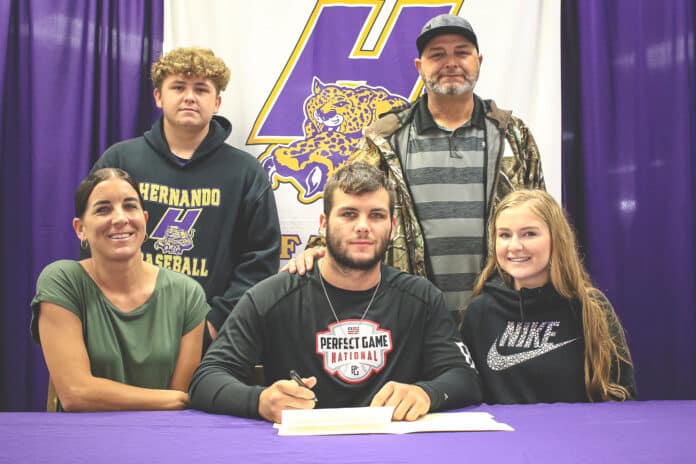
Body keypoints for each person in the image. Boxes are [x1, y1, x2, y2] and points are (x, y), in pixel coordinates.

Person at [285, 14, 545, 317]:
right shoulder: (385, 138)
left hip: (502, 316)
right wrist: (320, 248)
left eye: (461, 52)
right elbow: (347, 200)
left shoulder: (513, 135)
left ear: (479, 61)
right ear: (420, 67)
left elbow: (543, 221)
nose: (451, 63)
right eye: (437, 55)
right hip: (412, 320)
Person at [189, 163, 481, 423]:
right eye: (349, 214)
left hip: (394, 453)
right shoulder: (272, 296)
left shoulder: (422, 297)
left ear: (392, 227)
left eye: (376, 215)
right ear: (325, 224)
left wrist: (427, 393)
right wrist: (260, 401)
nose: (363, 227)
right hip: (301, 455)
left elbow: (465, 378)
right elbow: (206, 379)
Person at [91, 47, 280, 348]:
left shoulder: (245, 172)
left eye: (201, 89)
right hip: (123, 330)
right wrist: (112, 312)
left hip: (210, 340)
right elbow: (93, 242)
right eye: (178, 87)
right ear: (158, 97)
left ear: (216, 102)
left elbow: (261, 260)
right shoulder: (121, 160)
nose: (189, 97)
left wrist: (216, 324)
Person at [31, 168, 208, 411]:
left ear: (145, 220)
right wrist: (172, 399)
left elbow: (177, 408)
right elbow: (76, 394)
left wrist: (176, 400)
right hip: (81, 441)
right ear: (80, 228)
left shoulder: (188, 294)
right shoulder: (62, 280)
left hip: (160, 438)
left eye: (130, 206)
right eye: (103, 209)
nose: (120, 218)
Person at [460, 189, 636, 404]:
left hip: (575, 436)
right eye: (504, 235)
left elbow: (623, 396)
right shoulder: (480, 312)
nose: (514, 246)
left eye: (529, 234)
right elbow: (466, 393)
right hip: (505, 438)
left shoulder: (590, 307)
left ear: (557, 239)